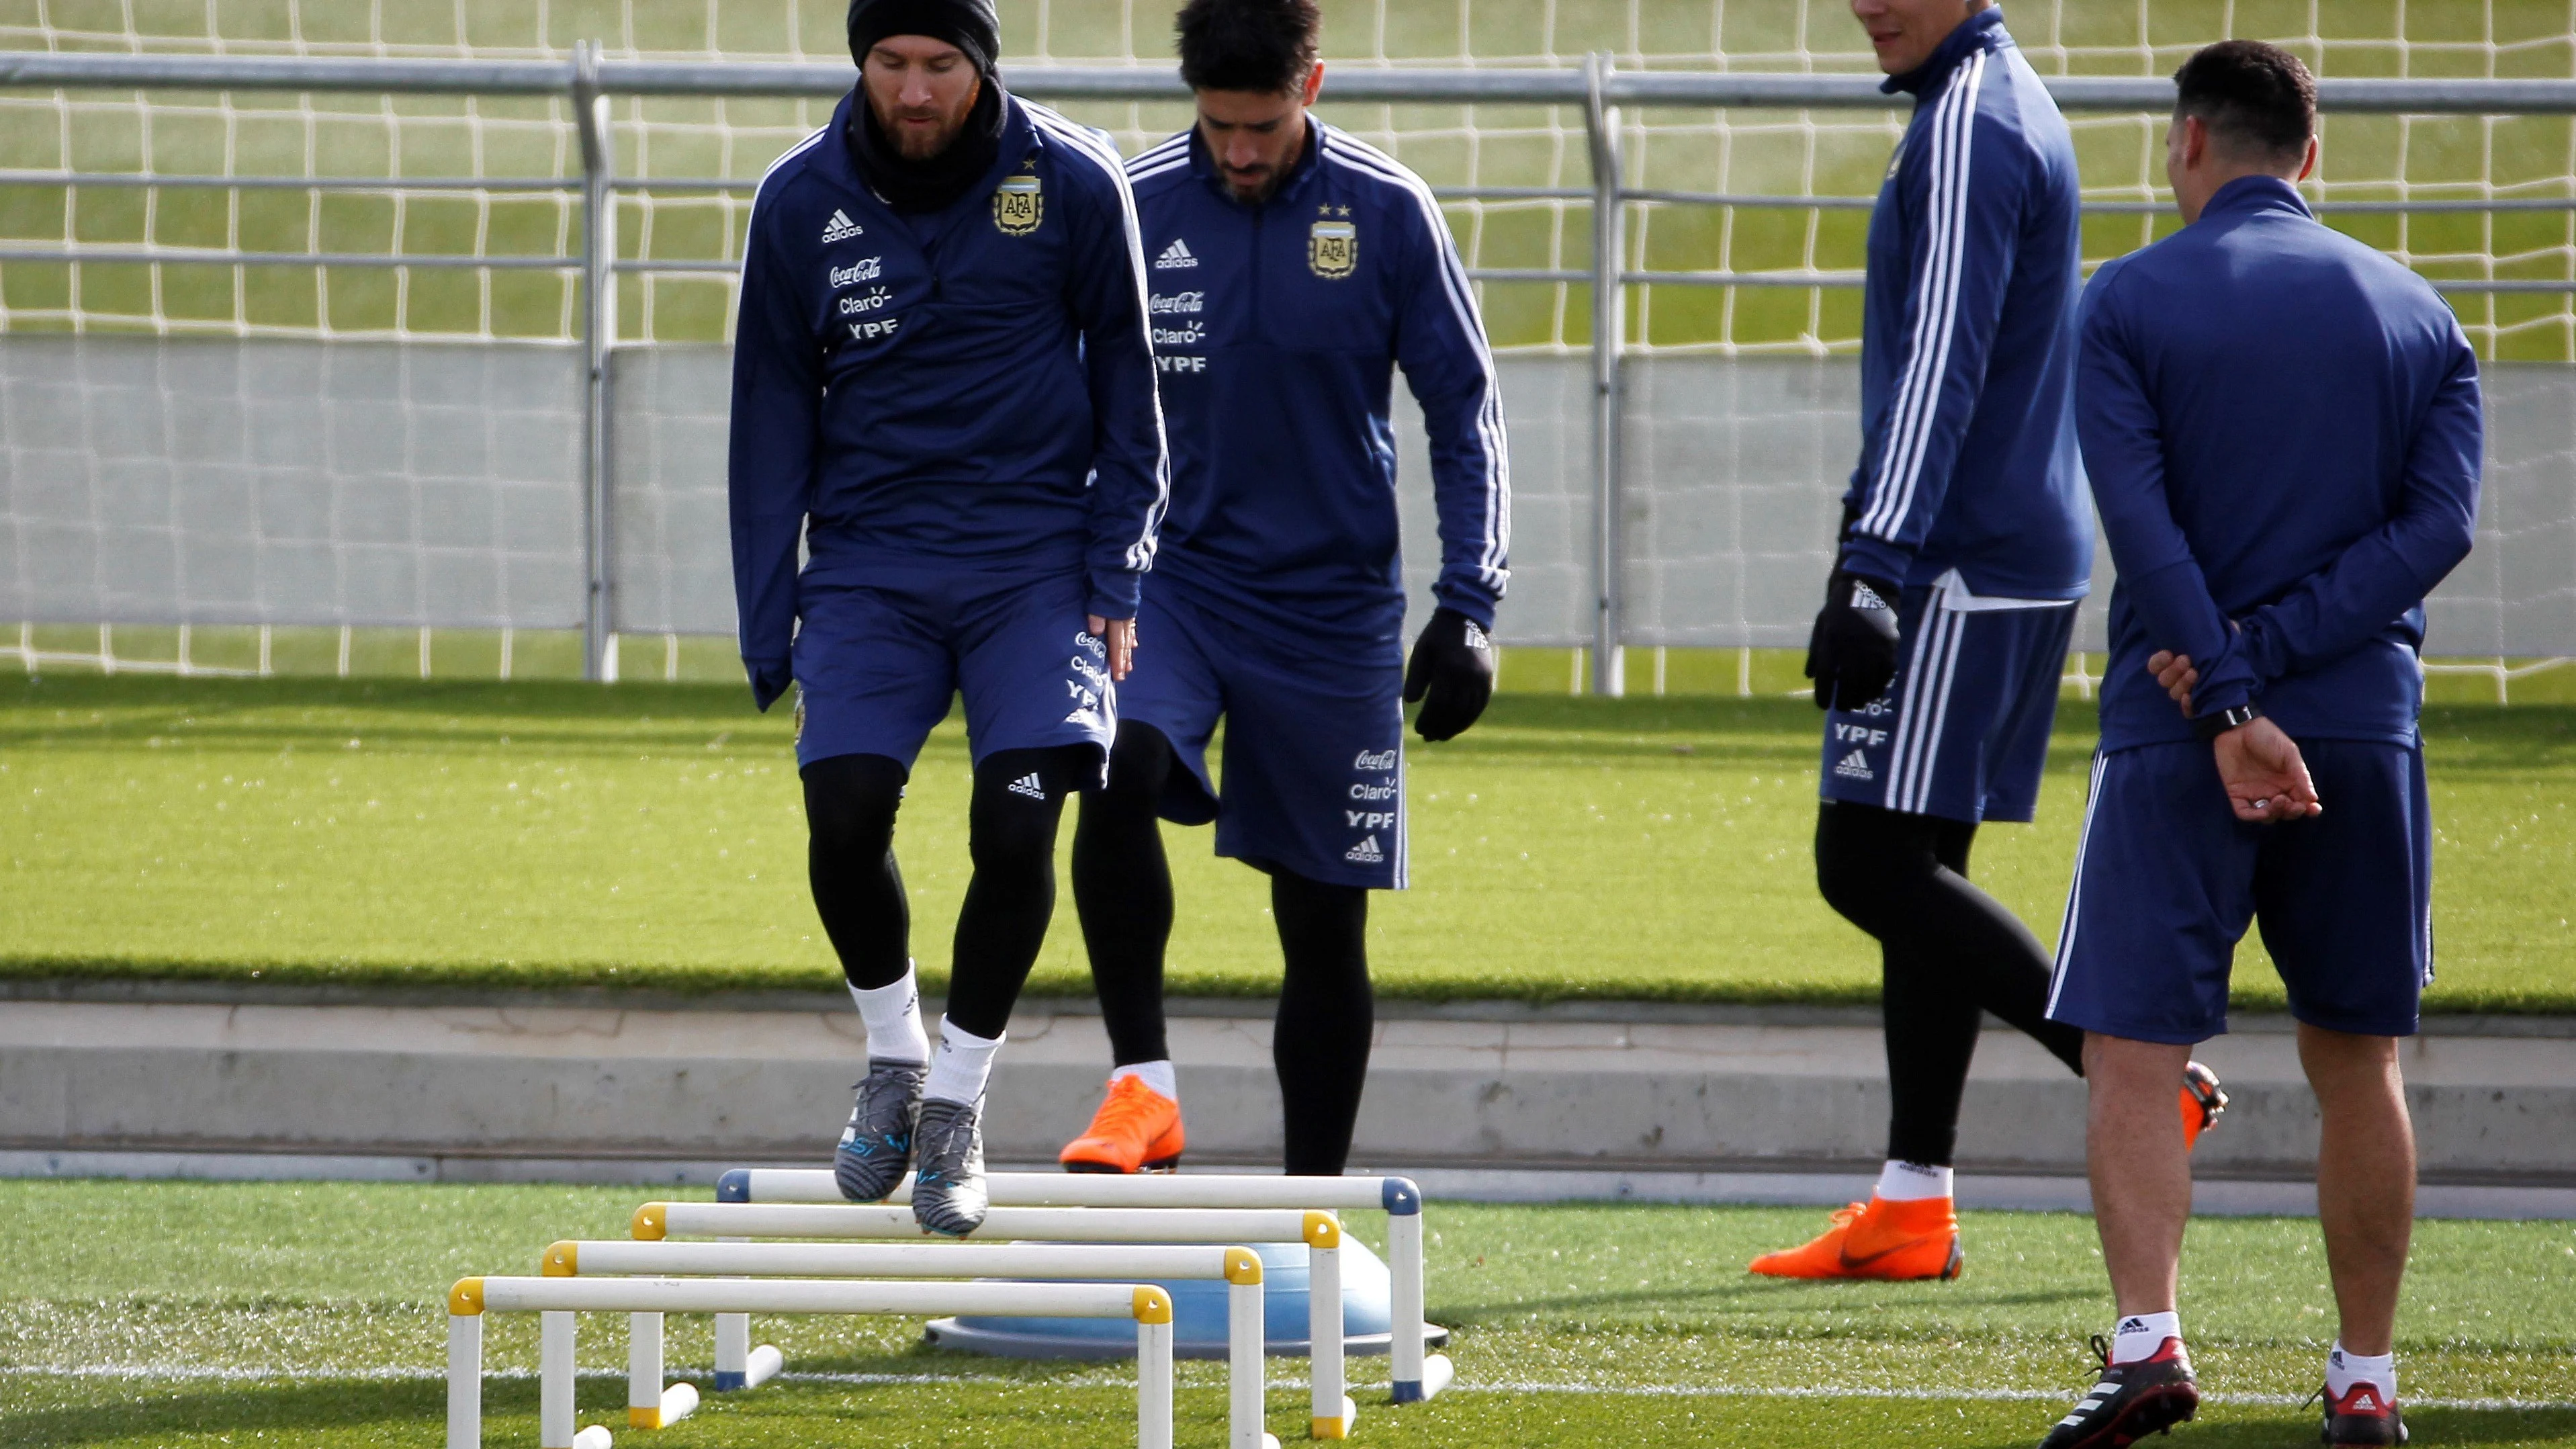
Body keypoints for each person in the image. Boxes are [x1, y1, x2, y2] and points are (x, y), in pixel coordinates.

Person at [2036, 40, 2480, 1449]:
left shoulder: (2128, 302)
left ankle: (2152, 1342)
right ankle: (2365, 1376)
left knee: (2133, 1047)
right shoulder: (2420, 315)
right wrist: (2287, 662)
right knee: (2360, 1059)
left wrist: (2228, 696)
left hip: (2179, 727)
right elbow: (2440, 529)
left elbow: (2137, 518)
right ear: (2312, 152)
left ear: (2187, 146)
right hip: (2361, 726)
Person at [1752, 0, 2227, 1283]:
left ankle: (2134, 1074)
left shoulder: (1973, 121)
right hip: (1994, 546)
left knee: (1861, 863)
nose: (1866, 3)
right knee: (1918, 855)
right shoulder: (1992, 103)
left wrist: (1872, 566)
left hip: (1952, 560)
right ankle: (1914, 1200)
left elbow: (1938, 362)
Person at [727, 0, 1165, 1235]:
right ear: (860, 64)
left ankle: (960, 1103)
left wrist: (1116, 574)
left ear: (981, 67)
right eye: (890, 64)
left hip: (1036, 568)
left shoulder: (1073, 180)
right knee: (845, 811)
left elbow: (1133, 379)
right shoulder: (798, 199)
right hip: (869, 567)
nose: (913, 92)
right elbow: (767, 409)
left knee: (1016, 831)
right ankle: (895, 1060)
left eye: (938, 66)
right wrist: (772, 621)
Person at [1053, 0, 1509, 1179]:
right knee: (1110, 763)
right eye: (1217, 125)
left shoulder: (1389, 212)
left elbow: (1464, 410)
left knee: (1319, 917)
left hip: (1332, 608)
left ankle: (1314, 1216)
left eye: (1261, 125)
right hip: (1172, 581)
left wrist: (1470, 605)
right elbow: (1057, 393)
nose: (1239, 151)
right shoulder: (1134, 203)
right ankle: (1142, 1087)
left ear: (1314, 84)